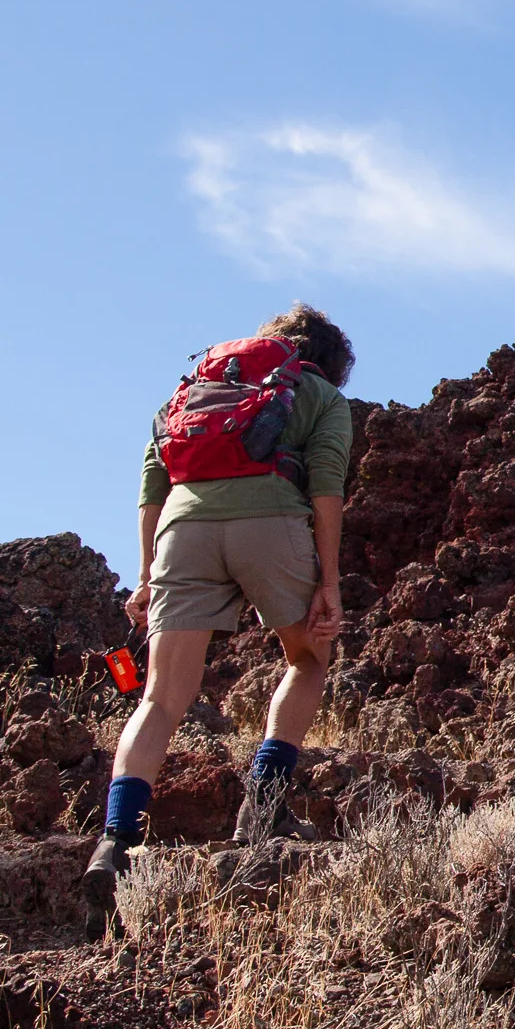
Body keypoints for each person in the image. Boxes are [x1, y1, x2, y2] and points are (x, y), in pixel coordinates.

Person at [83, 303, 355, 922]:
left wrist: (149, 572)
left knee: (160, 697)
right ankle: (262, 804)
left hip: (183, 530)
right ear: (331, 361)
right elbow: (325, 485)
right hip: (271, 522)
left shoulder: (198, 389)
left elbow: (153, 485)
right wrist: (329, 583)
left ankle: (116, 841)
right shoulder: (317, 393)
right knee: (309, 657)